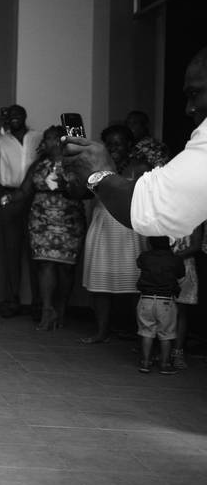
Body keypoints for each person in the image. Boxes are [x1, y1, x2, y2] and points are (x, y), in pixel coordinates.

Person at [64, 46, 207, 239]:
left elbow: (152, 208)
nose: (189, 109)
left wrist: (99, 173)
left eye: (194, 94)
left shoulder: (141, 163)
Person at [5, 127, 87, 331]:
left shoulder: (76, 163)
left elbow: (86, 191)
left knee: (67, 267)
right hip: (41, 220)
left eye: (49, 139)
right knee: (44, 264)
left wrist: (67, 184)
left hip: (69, 219)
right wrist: (8, 199)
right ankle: (47, 309)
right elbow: (25, 190)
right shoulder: (39, 165)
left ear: (60, 141)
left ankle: (61, 309)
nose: (45, 142)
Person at [79, 125, 146, 344]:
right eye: (109, 144)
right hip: (103, 227)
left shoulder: (140, 167)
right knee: (101, 284)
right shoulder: (96, 167)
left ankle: (140, 333)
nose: (113, 148)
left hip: (128, 228)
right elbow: (80, 192)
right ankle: (102, 331)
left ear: (129, 145)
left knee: (135, 283)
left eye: (118, 143)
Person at [0, 104, 42, 317]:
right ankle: (12, 300)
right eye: (9, 115)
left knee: (36, 253)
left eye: (17, 114)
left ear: (25, 116)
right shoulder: (2, 140)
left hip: (36, 197)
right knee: (11, 251)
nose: (13, 118)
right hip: (10, 197)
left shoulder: (38, 136)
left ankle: (38, 303)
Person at [135, 237, 185, 375]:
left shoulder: (144, 257)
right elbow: (181, 276)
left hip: (146, 299)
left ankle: (145, 362)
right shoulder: (175, 259)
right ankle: (165, 364)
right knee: (166, 334)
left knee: (146, 331)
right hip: (166, 301)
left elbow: (139, 264)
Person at [169, 225, 201, 369]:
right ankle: (163, 349)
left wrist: (173, 257)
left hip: (185, 267)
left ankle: (177, 351)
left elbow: (195, 245)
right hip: (164, 267)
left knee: (180, 311)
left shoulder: (195, 217)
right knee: (163, 308)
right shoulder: (164, 211)